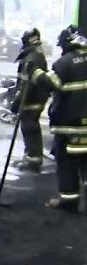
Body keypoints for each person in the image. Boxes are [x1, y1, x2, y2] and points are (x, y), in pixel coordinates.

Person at [31, 26, 87, 211]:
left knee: (67, 164)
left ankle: (69, 202)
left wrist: (36, 72)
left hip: (70, 126)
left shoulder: (65, 63)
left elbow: (50, 84)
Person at [10, 28, 50, 172]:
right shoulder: (37, 55)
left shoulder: (31, 58)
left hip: (31, 99)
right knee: (29, 126)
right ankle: (30, 157)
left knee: (29, 127)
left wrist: (16, 103)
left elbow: (26, 85)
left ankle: (33, 160)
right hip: (36, 97)